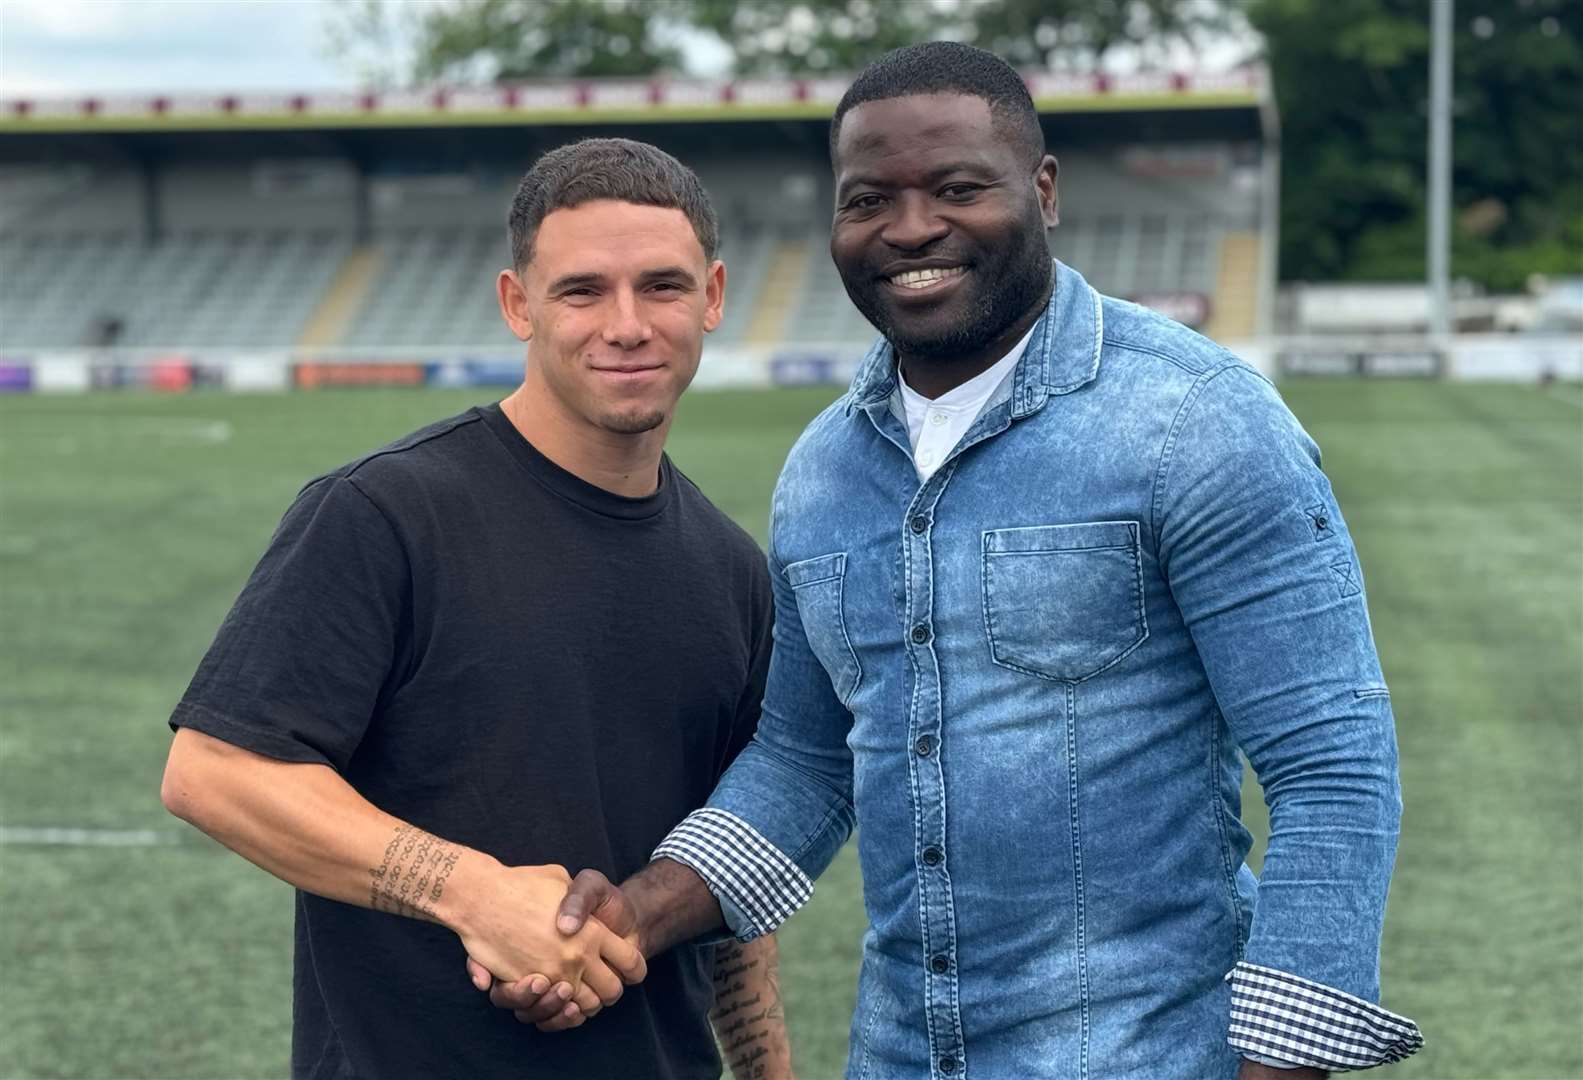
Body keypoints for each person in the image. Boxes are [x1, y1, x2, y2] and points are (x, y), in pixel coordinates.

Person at [493, 43, 1425, 1080]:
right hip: (900, 1056)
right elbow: (804, 763)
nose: (909, 228)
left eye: (955, 187)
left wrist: (1279, 1066)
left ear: (1041, 190)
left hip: (1150, 1054)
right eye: (866, 200)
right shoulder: (824, 472)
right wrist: (625, 916)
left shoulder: (1193, 424)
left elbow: (1330, 766)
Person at [160, 137, 791, 1080]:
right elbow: (214, 771)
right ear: (517, 304)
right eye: (581, 291)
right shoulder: (387, 513)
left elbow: (727, 873)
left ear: (711, 296)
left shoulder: (731, 570)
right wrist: (474, 894)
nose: (626, 325)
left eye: (661, 286)